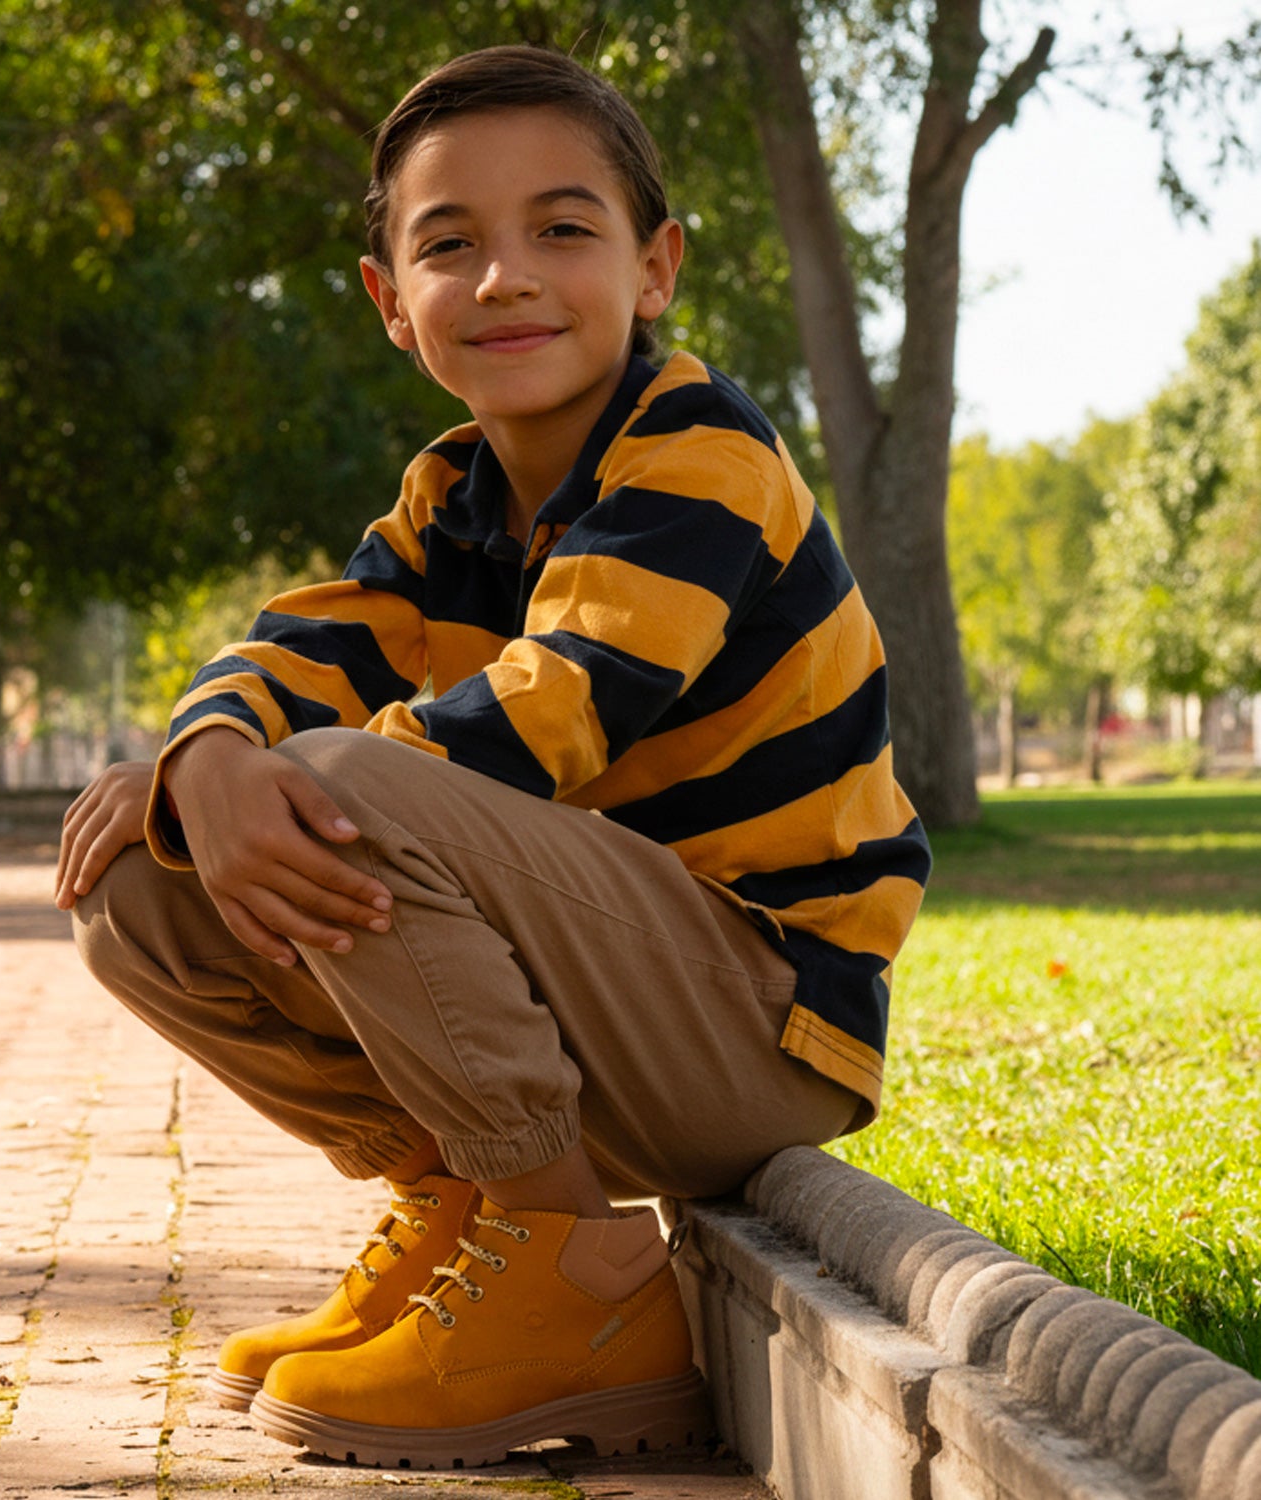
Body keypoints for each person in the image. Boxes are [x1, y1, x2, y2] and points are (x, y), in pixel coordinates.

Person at [55, 44, 930, 1470]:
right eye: (450, 244)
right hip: (610, 1012)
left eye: (562, 229)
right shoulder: (449, 497)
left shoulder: (700, 454)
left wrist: (281, 782)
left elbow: (552, 711)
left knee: (338, 791)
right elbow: (305, 641)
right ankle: (465, 1204)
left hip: (761, 1025)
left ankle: (570, 1268)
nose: (506, 277)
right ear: (391, 303)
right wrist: (201, 757)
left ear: (655, 268)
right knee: (135, 885)